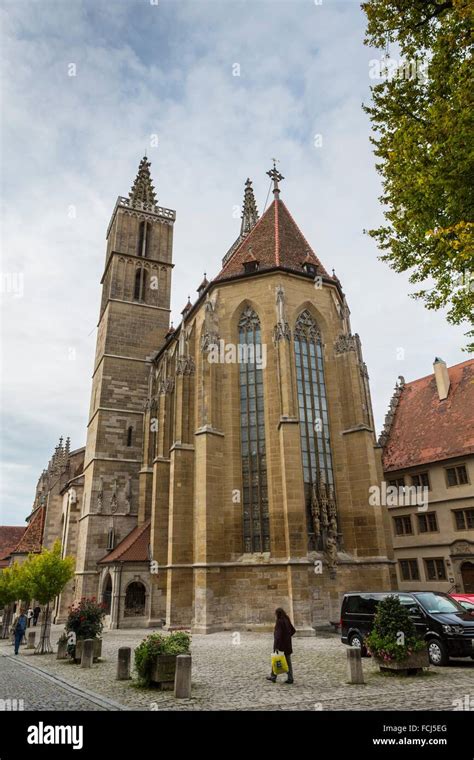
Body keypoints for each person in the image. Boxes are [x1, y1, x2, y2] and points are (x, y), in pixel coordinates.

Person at [267, 607, 296, 684]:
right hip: (287, 645)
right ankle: (290, 678)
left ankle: (273, 677)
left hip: (280, 646)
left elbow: (278, 636)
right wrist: (287, 637)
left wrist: (276, 646)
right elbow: (293, 630)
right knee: (288, 662)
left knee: (275, 659)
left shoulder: (279, 622)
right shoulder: (287, 620)